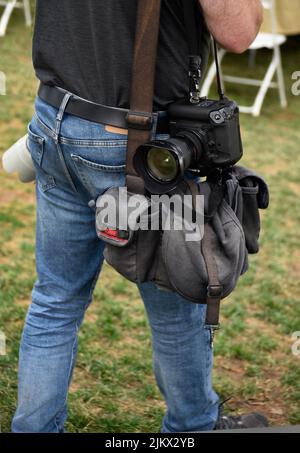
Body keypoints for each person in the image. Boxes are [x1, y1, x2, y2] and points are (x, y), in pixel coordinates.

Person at [12, 0, 267, 433]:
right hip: (141, 146)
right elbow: (239, 32)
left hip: (55, 120)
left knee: (55, 300)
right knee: (177, 311)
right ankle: (194, 426)